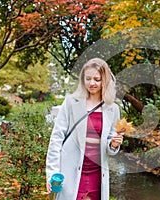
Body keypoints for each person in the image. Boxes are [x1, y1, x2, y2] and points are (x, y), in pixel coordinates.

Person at [46, 58, 124, 200]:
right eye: (88, 79)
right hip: (70, 168)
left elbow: (109, 148)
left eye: (97, 79)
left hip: (97, 171)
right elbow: (56, 138)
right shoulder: (71, 102)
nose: (92, 83)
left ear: (104, 80)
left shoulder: (112, 109)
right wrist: (52, 172)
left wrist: (113, 145)